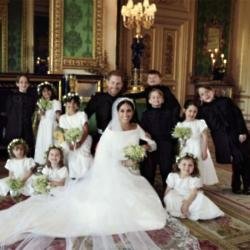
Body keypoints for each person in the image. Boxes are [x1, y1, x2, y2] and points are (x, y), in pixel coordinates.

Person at [0, 97, 166, 248]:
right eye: (122, 110)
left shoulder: (136, 127)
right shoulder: (111, 129)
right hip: (113, 170)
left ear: (133, 112)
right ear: (117, 112)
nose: (125, 114)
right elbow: (102, 152)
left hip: (132, 169)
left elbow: (153, 144)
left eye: (129, 110)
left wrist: (143, 148)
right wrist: (118, 163)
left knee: (147, 208)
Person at [197, 86, 250, 194]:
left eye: (207, 92)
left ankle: (245, 186)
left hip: (237, 133)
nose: (205, 95)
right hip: (222, 138)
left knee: (245, 159)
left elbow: (238, 115)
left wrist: (242, 131)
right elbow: (197, 123)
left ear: (212, 91)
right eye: (202, 94)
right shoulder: (202, 110)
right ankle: (237, 185)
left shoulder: (226, 101)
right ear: (200, 98)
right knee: (238, 160)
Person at [164, 153, 224, 220]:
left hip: (189, 197)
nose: (187, 167)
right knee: (169, 197)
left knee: (201, 198)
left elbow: (193, 193)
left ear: (194, 167)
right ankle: (178, 212)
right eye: (184, 164)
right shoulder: (173, 176)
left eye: (190, 165)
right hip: (176, 195)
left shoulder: (193, 179)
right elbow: (168, 189)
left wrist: (187, 203)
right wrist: (165, 200)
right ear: (179, 165)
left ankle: (188, 211)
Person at [175, 100, 218, 185]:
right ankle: (186, 185)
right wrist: (183, 140)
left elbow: (205, 137)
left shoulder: (200, 122)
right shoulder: (180, 125)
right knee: (186, 167)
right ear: (184, 110)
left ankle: (197, 186)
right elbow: (180, 141)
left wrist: (204, 151)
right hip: (185, 149)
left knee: (197, 167)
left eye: (195, 112)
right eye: (190, 111)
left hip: (197, 148)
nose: (192, 114)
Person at [140, 88, 177, 189]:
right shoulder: (146, 114)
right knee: (149, 169)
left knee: (166, 169)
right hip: (151, 145)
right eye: (153, 97)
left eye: (159, 97)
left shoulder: (169, 113)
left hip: (165, 144)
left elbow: (173, 129)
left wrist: (173, 145)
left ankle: (167, 189)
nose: (156, 99)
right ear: (149, 100)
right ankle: (149, 189)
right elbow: (142, 130)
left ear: (163, 100)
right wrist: (145, 138)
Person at [85, 70, 124, 151]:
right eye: (112, 82)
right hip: (101, 138)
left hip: (121, 138)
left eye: (118, 83)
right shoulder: (97, 98)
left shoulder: (125, 100)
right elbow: (85, 115)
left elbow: (135, 121)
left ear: (122, 84)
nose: (115, 86)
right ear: (107, 82)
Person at [59, 92, 92, 179]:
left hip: (83, 138)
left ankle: (85, 176)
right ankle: (71, 176)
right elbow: (65, 132)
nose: (71, 105)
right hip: (69, 139)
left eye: (74, 103)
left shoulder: (82, 114)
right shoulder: (63, 118)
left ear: (77, 105)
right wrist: (70, 143)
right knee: (66, 149)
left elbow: (86, 130)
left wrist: (80, 142)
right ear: (65, 104)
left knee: (82, 155)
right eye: (69, 102)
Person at [5, 75, 37, 155]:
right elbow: (8, 113)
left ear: (28, 84)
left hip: (27, 129)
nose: (24, 84)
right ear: (17, 84)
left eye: (26, 82)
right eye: (21, 82)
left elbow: (33, 112)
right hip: (14, 128)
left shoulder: (32, 98)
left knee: (26, 151)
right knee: (14, 151)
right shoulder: (11, 97)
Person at [34, 82, 62, 165]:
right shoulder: (40, 103)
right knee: (42, 144)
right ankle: (42, 163)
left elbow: (58, 116)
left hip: (52, 126)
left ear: (52, 91)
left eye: (48, 90)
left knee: (52, 143)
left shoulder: (55, 102)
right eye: (44, 91)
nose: (46, 93)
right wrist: (40, 113)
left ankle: (52, 163)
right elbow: (39, 118)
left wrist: (61, 127)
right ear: (41, 93)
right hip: (43, 126)